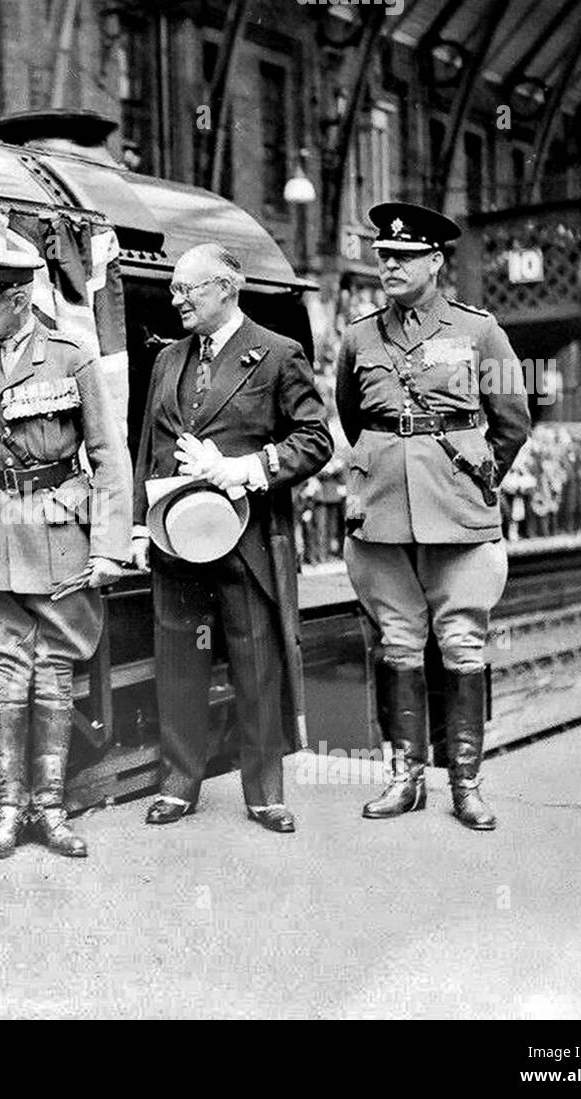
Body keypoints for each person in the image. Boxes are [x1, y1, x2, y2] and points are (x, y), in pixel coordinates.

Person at [336, 202, 531, 831]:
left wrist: (475, 480)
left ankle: (466, 785)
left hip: (459, 516)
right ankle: (405, 780)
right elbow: (353, 415)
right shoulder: (360, 337)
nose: (389, 265)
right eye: (384, 255)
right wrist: (384, 468)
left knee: (462, 645)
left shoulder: (481, 332)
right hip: (383, 516)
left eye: (404, 257)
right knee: (397, 645)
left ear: (435, 262)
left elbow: (513, 421)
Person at [0, 245, 132, 859]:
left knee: (54, 668)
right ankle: (7, 810)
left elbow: (107, 456)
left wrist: (109, 546)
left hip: (58, 532)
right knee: (5, 672)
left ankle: (50, 809)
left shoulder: (72, 360)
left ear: (20, 302)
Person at [131, 243, 332, 833]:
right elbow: (150, 442)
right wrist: (142, 529)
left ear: (225, 287)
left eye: (186, 290)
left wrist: (248, 468)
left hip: (245, 539)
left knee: (255, 664)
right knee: (178, 662)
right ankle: (178, 784)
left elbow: (315, 439)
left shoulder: (276, 354)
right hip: (175, 538)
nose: (176, 300)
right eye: (174, 290)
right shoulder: (168, 360)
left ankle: (265, 793)